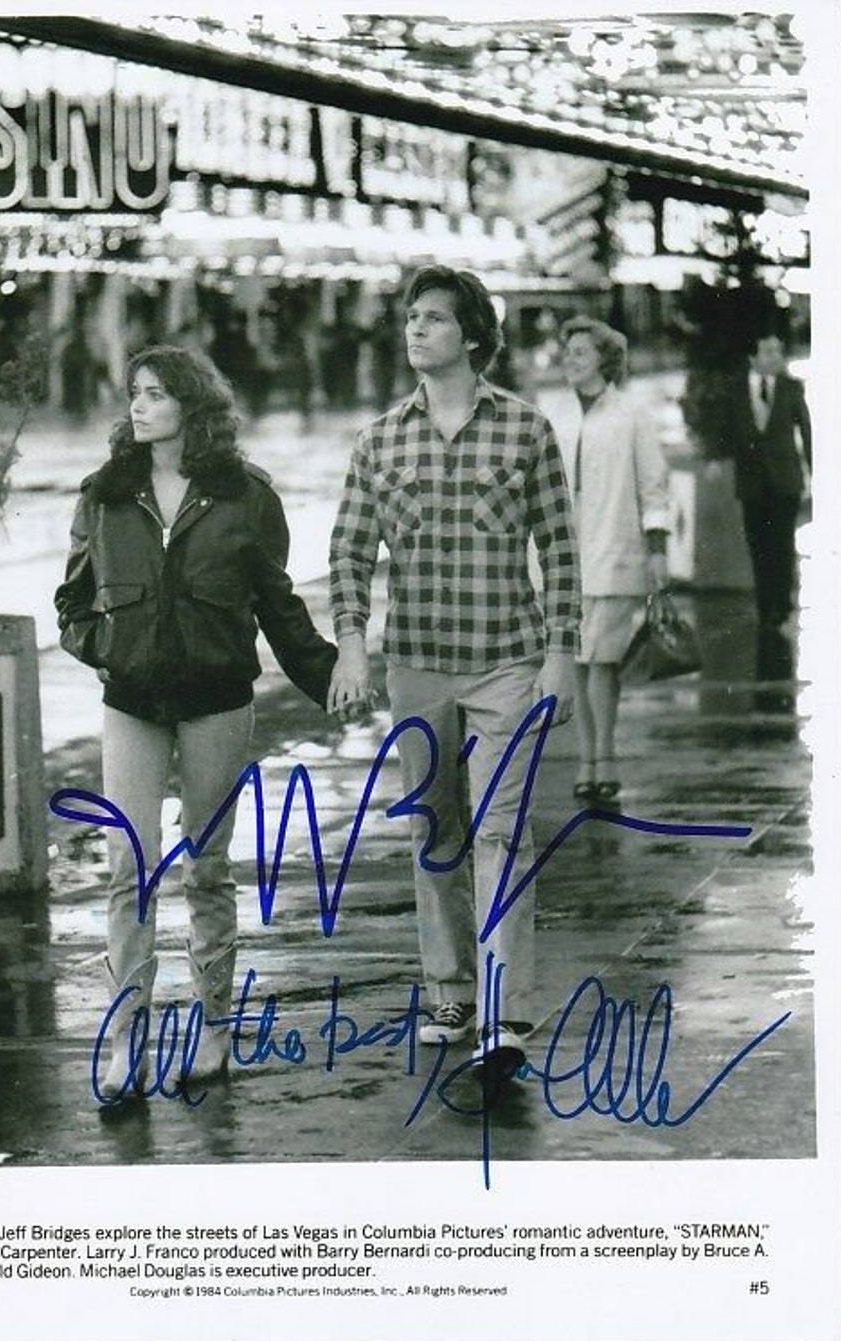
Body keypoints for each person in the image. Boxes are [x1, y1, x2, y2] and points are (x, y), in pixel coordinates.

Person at [55, 345, 337, 1107]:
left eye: (155, 393)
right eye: (135, 393)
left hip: (217, 700)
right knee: (129, 868)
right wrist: (108, 648)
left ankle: (214, 1028)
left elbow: (278, 605)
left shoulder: (245, 496)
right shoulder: (107, 494)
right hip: (132, 703)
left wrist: (330, 678)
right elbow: (72, 601)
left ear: (192, 404)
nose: (139, 406)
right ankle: (126, 1040)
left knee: (207, 868)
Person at [327, 266, 580, 1075]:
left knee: (501, 830)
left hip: (507, 660)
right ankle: (451, 991)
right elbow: (349, 550)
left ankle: (503, 1013)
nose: (416, 329)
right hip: (418, 665)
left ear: (472, 336)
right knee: (434, 831)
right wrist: (352, 642)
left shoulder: (526, 431)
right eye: (411, 317)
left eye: (434, 318)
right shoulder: (380, 440)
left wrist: (563, 654)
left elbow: (560, 549)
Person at [558, 316, 670, 802]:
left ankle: (603, 757)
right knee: (578, 663)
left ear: (604, 359)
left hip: (618, 550)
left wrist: (658, 550)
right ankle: (588, 758)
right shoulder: (557, 415)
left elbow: (654, 486)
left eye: (580, 352)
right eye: (567, 352)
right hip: (566, 560)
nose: (570, 360)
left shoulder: (631, 414)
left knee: (602, 659)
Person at [730, 332, 811, 676]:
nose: (775, 356)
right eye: (767, 351)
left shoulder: (792, 388)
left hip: (785, 481)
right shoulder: (737, 389)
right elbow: (728, 431)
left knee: (782, 543)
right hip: (752, 485)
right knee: (758, 545)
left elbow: (806, 430)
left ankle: (782, 606)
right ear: (753, 357)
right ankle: (766, 608)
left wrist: (814, 472)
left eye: (778, 350)